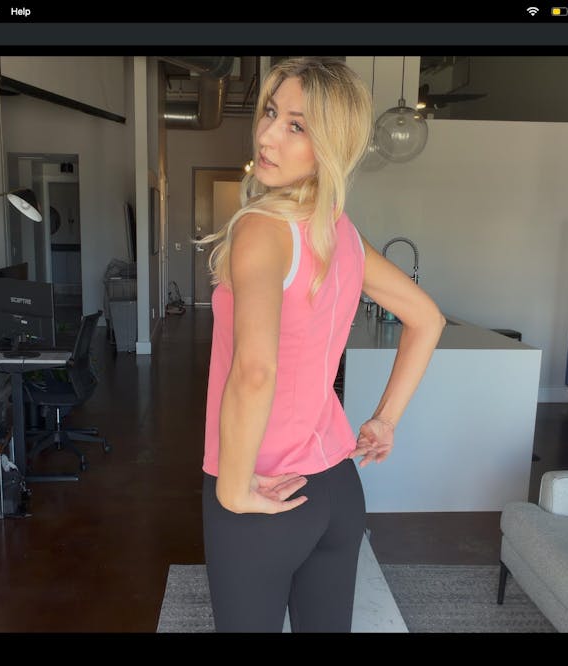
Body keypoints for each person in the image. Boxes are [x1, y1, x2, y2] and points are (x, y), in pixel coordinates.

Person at [200, 57, 446, 633]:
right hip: (337, 488)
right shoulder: (342, 234)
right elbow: (427, 318)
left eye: (296, 126)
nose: (267, 135)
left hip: (264, 486)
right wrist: (384, 421)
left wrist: (232, 488)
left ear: (331, 145)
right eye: (270, 113)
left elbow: (255, 371)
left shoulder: (262, 228)